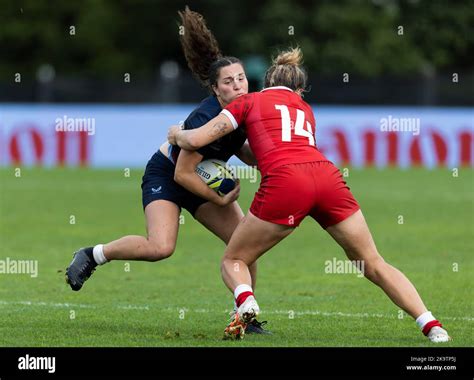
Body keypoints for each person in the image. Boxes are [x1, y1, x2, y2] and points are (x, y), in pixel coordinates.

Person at [167, 47, 451, 343]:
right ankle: (432, 325)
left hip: (287, 183)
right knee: (372, 262)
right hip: (326, 177)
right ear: (299, 90)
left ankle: (246, 300)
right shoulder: (304, 109)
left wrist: (176, 134)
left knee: (234, 259)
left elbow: (197, 138)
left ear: (265, 82)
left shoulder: (248, 101)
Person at [65, 7, 269, 334]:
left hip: (204, 178)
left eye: (241, 78)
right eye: (229, 83)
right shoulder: (204, 118)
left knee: (245, 245)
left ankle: (246, 315)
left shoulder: (248, 108)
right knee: (161, 247)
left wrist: (267, 155)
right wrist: (219, 200)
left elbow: (242, 151)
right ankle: (93, 254)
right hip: (170, 175)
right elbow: (183, 175)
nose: (238, 86)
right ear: (216, 91)